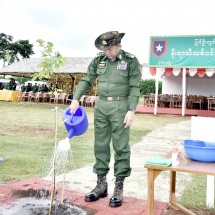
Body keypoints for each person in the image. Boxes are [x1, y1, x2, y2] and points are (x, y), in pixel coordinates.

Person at [69, 31, 141, 207]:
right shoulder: (98, 60)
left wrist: (131, 110)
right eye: (104, 49)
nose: (107, 52)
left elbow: (134, 87)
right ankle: (101, 185)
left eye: (109, 49)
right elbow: (87, 79)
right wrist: (76, 98)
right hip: (101, 106)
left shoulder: (130, 61)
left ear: (119, 46)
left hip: (121, 106)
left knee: (121, 146)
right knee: (100, 144)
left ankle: (119, 187)